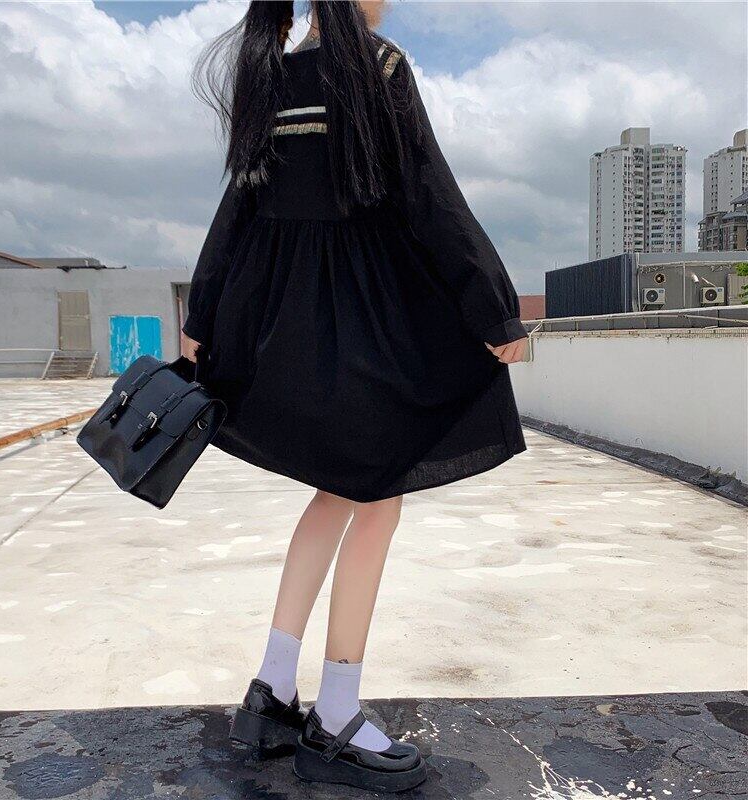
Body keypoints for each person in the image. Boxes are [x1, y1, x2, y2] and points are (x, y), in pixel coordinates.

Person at [183, 0, 527, 791]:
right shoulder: (379, 66)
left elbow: (237, 206)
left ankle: (271, 692)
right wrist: (493, 307)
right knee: (376, 499)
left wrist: (202, 315)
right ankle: (335, 715)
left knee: (336, 495)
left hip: (287, 329)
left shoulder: (270, 73)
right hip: (365, 327)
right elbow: (430, 195)